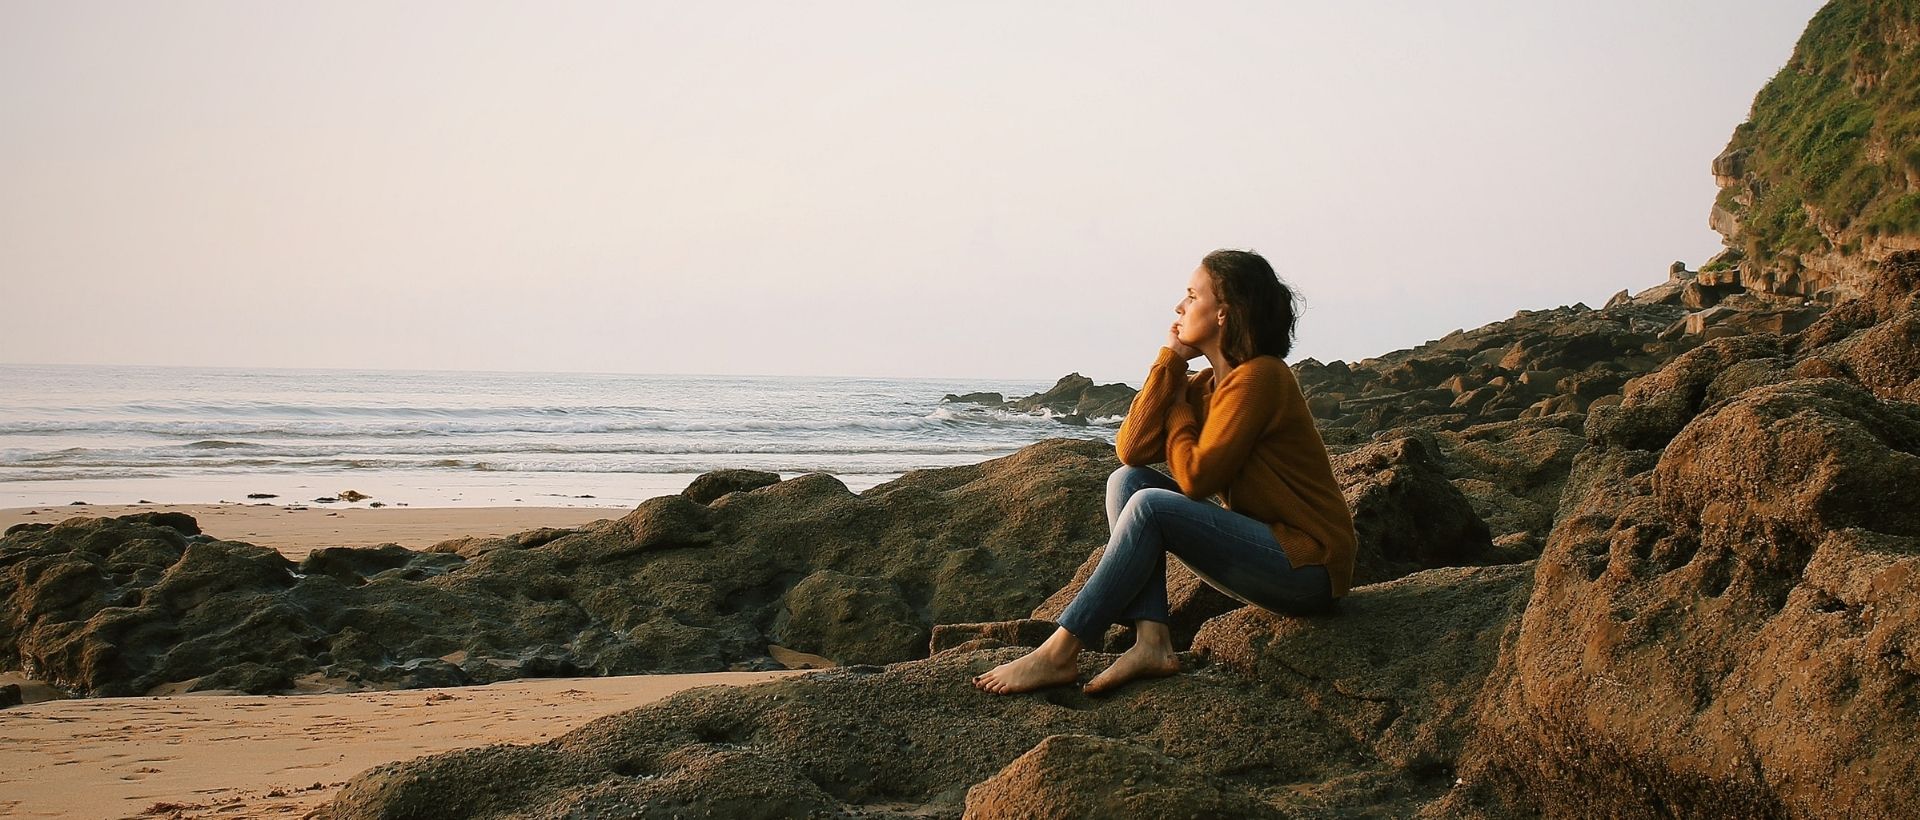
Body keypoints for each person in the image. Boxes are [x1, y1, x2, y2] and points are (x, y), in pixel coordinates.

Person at [973, 249, 1358, 695]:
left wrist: (1177, 412)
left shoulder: (1262, 378)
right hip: (1267, 548)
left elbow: (1196, 479)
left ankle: (1060, 651)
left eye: (1193, 296)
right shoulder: (1204, 386)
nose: (1179, 307)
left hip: (1309, 567)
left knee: (1151, 506)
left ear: (1223, 314)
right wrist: (1171, 363)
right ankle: (1152, 640)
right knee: (1128, 482)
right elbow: (1131, 450)